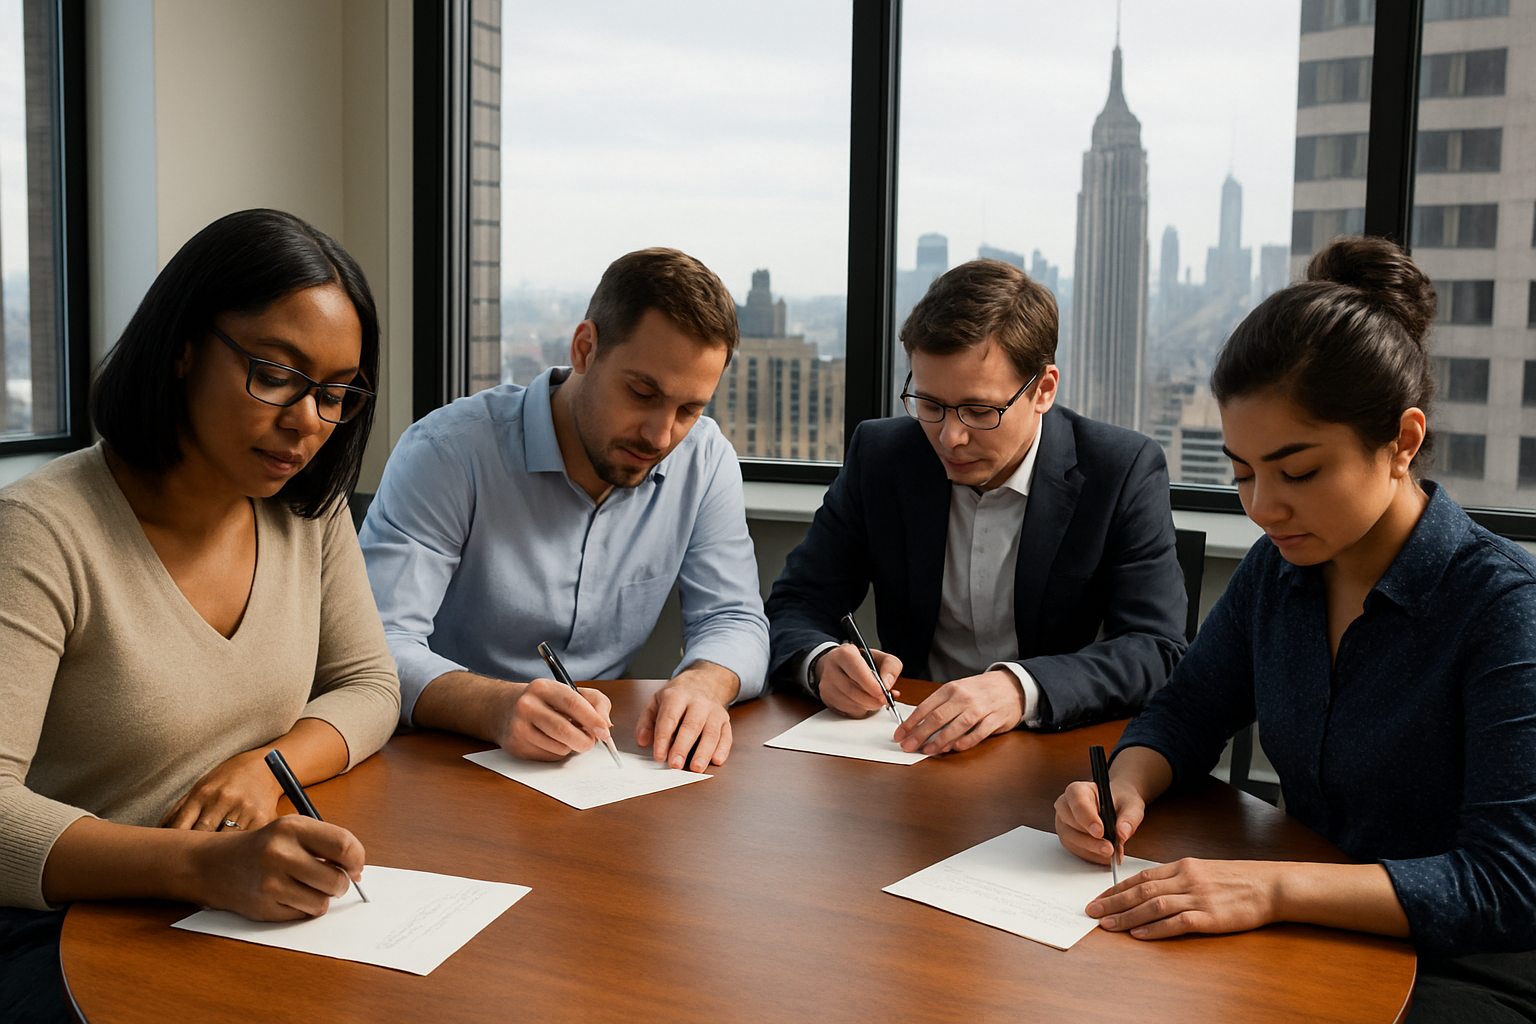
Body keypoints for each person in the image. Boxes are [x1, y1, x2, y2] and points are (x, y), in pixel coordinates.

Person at [1054, 236, 1536, 1021]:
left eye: (1299, 471)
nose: (1262, 507)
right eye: (1242, 472)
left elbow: (1507, 883)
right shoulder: (1279, 571)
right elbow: (1185, 712)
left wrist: (1271, 886)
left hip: (1463, 969)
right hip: (1307, 929)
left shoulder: (1500, 605)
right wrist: (1122, 786)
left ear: (1402, 441)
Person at [0, 209, 401, 1021]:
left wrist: (265, 767)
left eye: (335, 395)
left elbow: (369, 685)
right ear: (184, 346)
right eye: (276, 375)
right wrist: (199, 866)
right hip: (63, 926)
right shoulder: (42, 532)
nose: (306, 424)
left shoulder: (305, 512)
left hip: (230, 903)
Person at [360, 248, 769, 774]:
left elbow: (734, 617)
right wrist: (497, 708)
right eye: (642, 392)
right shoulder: (447, 452)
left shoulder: (705, 459)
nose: (661, 435)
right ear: (584, 348)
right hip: (440, 757)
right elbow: (377, 648)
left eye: (689, 409)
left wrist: (703, 683)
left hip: (596, 764)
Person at [766, 259, 1186, 754]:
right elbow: (796, 603)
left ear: (1044, 390)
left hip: (1050, 753)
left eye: (980, 411)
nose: (950, 437)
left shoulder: (1121, 469)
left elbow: (1156, 650)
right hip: (906, 744)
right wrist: (819, 662)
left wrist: (1016, 688)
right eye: (930, 405)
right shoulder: (882, 455)